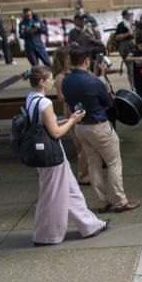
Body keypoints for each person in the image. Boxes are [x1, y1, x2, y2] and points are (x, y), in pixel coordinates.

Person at [23, 65, 109, 246]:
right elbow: (55, 133)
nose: (53, 81)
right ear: (41, 81)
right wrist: (72, 120)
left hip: (44, 152)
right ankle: (46, 235)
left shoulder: (31, 98)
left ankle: (90, 225)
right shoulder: (45, 103)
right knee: (53, 195)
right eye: (50, 79)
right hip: (51, 153)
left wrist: (69, 119)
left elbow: (45, 125)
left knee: (70, 190)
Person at [62, 46, 140, 213]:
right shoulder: (92, 81)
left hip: (80, 126)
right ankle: (120, 200)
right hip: (98, 125)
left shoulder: (66, 81)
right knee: (113, 163)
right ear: (86, 61)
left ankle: (102, 202)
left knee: (93, 164)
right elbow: (108, 103)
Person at [52, 45, 88, 185]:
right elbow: (60, 97)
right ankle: (83, 174)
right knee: (80, 144)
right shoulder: (61, 76)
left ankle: (87, 171)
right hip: (70, 111)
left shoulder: (72, 73)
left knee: (85, 142)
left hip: (79, 109)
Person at [114, 9, 135, 89]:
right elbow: (117, 37)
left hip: (134, 45)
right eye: (130, 14)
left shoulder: (132, 24)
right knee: (130, 68)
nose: (132, 15)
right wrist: (127, 34)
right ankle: (133, 87)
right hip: (125, 47)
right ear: (125, 15)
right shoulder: (121, 25)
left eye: (132, 14)